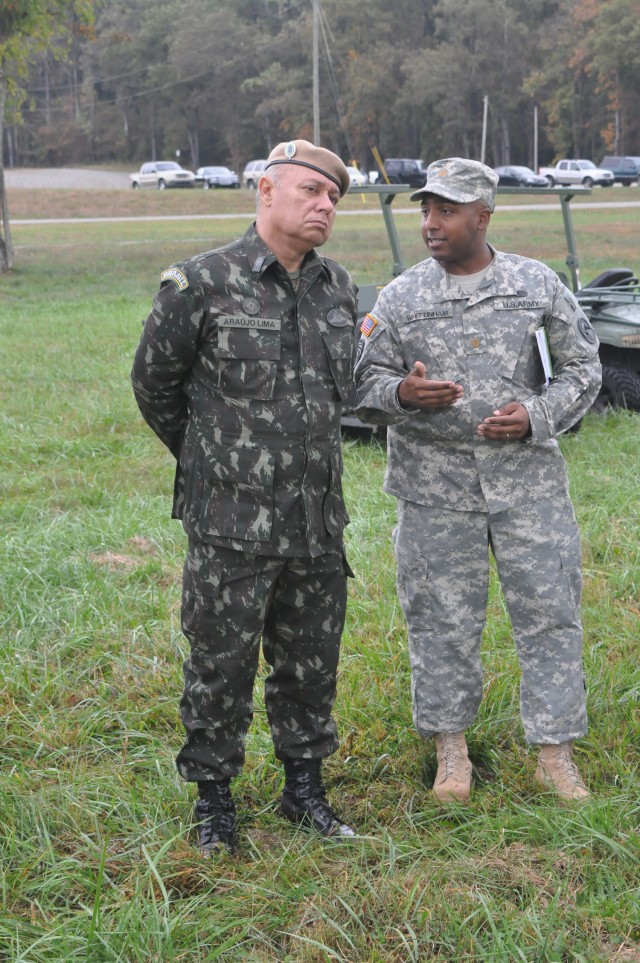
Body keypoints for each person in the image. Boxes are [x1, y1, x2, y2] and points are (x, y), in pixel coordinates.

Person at [131, 139, 358, 855]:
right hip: (231, 523)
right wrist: (213, 463)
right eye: (310, 192)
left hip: (317, 521)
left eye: (333, 198)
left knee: (310, 661)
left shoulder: (338, 288)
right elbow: (154, 386)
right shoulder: (201, 283)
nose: (324, 207)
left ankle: (304, 790)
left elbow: (340, 393)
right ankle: (215, 803)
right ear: (265, 190)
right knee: (219, 665)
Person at [354, 157, 601, 804]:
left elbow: (583, 367)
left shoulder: (535, 283)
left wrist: (537, 414)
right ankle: (451, 752)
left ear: (483, 215)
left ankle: (554, 753)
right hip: (434, 490)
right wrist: (403, 393)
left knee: (550, 613)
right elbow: (362, 382)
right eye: (425, 210)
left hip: (528, 486)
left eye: (447, 210)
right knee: (440, 620)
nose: (431, 224)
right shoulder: (401, 296)